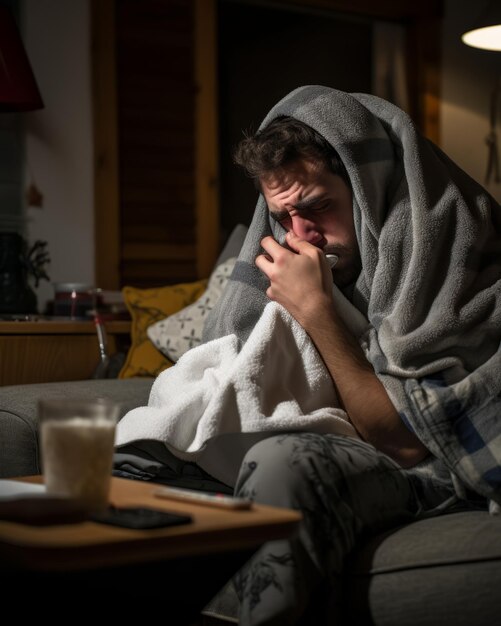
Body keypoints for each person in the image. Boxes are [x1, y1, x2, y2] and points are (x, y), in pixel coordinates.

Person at [202, 86, 501, 625]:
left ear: (369, 187)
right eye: (283, 216)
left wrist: (316, 311)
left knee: (281, 466)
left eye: (318, 207)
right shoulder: (307, 249)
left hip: (428, 463)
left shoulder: (455, 242)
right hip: (345, 435)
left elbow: (406, 443)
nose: (302, 236)